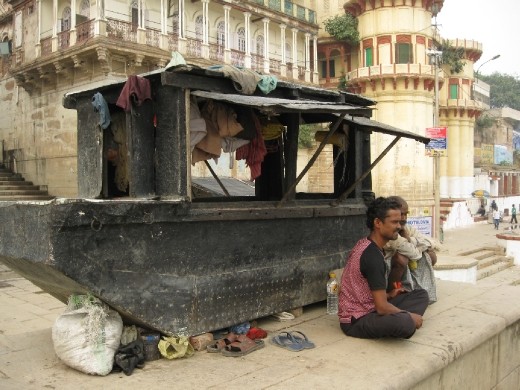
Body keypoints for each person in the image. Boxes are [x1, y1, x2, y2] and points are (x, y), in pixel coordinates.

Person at [338, 197, 429, 339]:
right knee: (406, 323)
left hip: (371, 307)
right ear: (378, 223)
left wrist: (389, 295)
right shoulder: (372, 255)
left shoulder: (369, 245)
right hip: (356, 320)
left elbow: (367, 293)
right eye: (394, 222)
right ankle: (404, 319)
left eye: (399, 222)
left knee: (421, 295)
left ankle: (400, 317)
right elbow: (381, 307)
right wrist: (409, 316)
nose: (399, 227)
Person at [384, 196, 440, 304]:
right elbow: (414, 254)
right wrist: (418, 246)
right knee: (402, 259)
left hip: (406, 265)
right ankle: (393, 292)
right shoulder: (390, 230)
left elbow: (432, 243)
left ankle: (413, 288)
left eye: (406, 214)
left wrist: (410, 240)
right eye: (401, 214)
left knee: (431, 255)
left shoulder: (406, 228)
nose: (404, 218)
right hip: (385, 271)